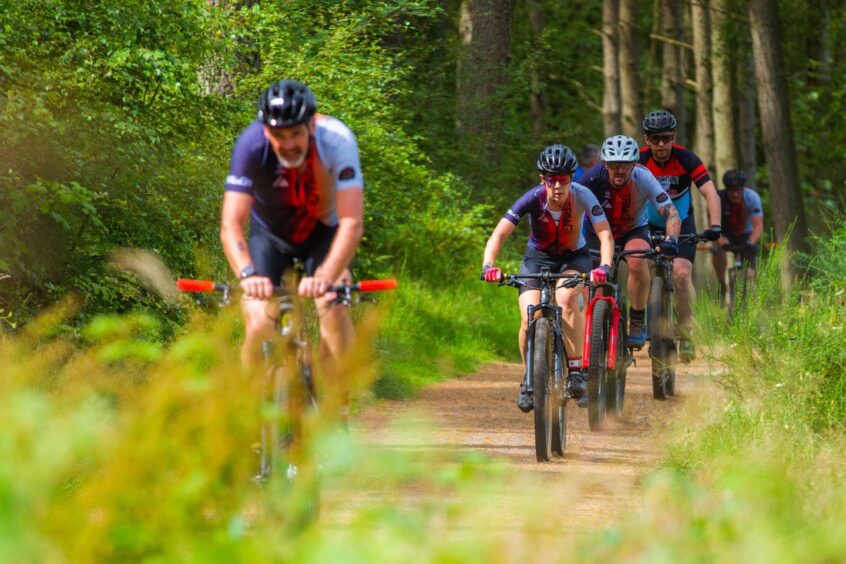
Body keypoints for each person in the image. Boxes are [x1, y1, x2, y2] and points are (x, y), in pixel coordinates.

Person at [220, 79, 364, 410]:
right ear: (264, 130)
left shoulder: (337, 141)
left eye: (296, 134)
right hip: (270, 234)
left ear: (311, 125)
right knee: (257, 322)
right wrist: (246, 275)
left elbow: (352, 223)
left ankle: (335, 407)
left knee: (334, 303)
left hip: (323, 232)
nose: (288, 144)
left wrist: (327, 274)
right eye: (278, 136)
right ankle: (252, 417)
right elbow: (231, 224)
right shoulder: (251, 144)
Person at [481, 144, 614, 412]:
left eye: (563, 179)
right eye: (552, 179)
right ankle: (529, 378)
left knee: (566, 298)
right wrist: (488, 265)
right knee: (529, 315)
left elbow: (604, 235)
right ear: (543, 179)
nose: (558, 186)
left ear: (571, 178)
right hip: (536, 259)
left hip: (572, 259)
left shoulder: (583, 195)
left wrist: (606, 266)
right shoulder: (532, 198)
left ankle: (575, 371)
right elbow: (499, 234)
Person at [580, 135, 681, 349]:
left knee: (637, 260)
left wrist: (671, 238)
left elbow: (671, 213)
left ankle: (636, 318)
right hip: (598, 233)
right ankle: (591, 333)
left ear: (634, 163)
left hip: (633, 230)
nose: (619, 170)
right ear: (604, 163)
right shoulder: (591, 178)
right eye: (613, 164)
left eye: (625, 164)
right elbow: (568, 206)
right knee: (593, 282)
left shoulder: (643, 178)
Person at [639, 110, 722, 363]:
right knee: (641, 269)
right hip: (649, 222)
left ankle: (686, 332)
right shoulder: (638, 160)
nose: (661, 144)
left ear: (673, 137)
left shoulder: (686, 158)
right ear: (646, 140)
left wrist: (715, 225)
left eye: (666, 138)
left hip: (682, 221)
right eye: (655, 139)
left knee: (682, 274)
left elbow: (710, 193)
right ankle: (648, 323)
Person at [712, 169, 764, 300]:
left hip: (746, 234)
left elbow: (758, 226)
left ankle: (752, 300)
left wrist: (750, 242)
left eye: (738, 190)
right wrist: (720, 239)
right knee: (717, 250)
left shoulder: (752, 197)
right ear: (726, 189)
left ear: (743, 188)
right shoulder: (718, 198)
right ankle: (721, 284)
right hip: (725, 232)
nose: (735, 194)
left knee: (750, 271)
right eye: (731, 191)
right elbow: (713, 225)